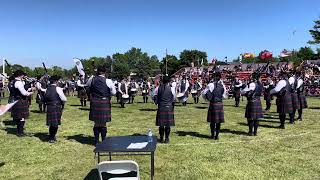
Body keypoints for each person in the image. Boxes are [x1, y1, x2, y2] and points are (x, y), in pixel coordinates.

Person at [86, 66, 116, 145]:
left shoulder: (91, 79)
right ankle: (103, 141)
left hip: (95, 102)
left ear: (97, 71)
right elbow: (114, 92)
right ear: (105, 72)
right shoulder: (108, 81)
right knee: (103, 123)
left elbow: (87, 87)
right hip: (104, 102)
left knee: (96, 123)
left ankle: (96, 141)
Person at [203, 71, 227, 140]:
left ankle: (212, 135)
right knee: (218, 121)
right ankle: (217, 136)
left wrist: (207, 99)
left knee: (213, 121)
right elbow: (224, 96)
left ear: (214, 77)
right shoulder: (222, 85)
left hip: (213, 104)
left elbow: (204, 94)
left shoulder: (211, 85)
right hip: (220, 104)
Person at [44, 75, 67, 143]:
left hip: (49, 107)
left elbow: (45, 98)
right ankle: (52, 137)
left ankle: (51, 136)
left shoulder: (47, 88)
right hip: (56, 106)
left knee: (52, 123)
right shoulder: (58, 88)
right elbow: (64, 99)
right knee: (55, 123)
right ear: (56, 81)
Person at [10, 70, 33, 137]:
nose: (23, 76)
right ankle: (20, 132)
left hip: (15, 100)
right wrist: (30, 93)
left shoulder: (12, 81)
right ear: (20, 75)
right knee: (21, 117)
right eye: (22, 75)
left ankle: (19, 131)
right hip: (20, 100)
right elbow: (24, 93)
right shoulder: (19, 82)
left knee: (18, 117)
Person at [155, 75, 176, 143]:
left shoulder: (158, 88)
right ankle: (167, 139)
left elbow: (153, 95)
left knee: (161, 125)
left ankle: (161, 138)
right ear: (169, 81)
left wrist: (157, 101)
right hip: (168, 107)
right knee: (168, 125)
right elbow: (174, 98)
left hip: (161, 107)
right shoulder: (172, 88)